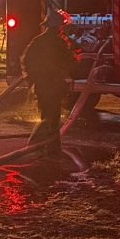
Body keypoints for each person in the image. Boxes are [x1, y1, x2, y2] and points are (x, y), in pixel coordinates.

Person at [21, 9, 78, 156]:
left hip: (42, 87)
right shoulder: (59, 43)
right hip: (53, 87)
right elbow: (69, 62)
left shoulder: (37, 41)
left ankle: (51, 149)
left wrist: (32, 79)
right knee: (50, 118)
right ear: (58, 26)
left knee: (51, 117)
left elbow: (26, 60)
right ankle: (34, 147)